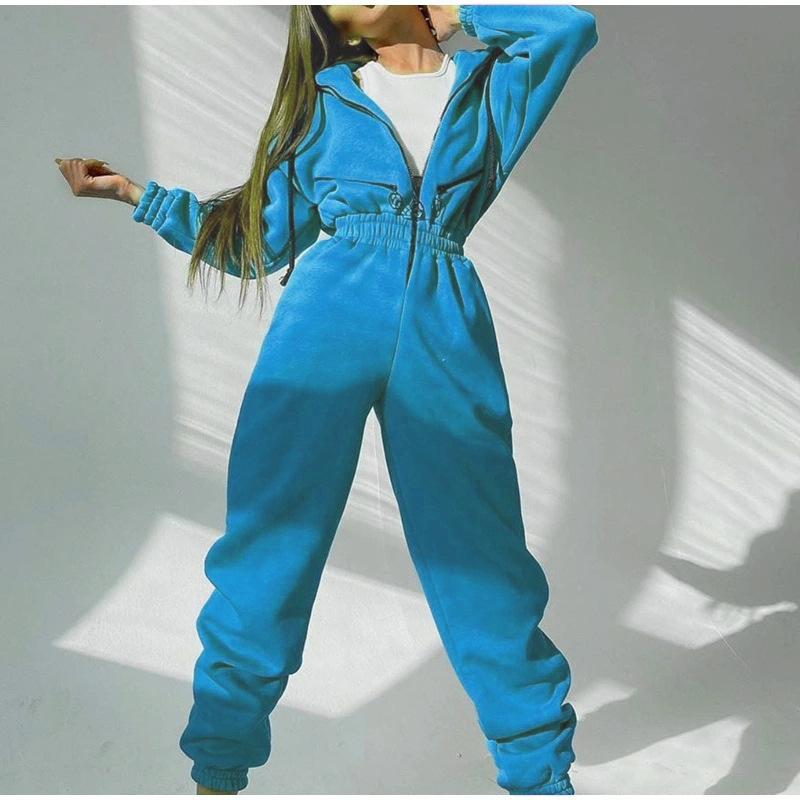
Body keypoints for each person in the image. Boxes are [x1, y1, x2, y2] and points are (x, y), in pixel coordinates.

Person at [55, 5, 598, 795]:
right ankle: (217, 771)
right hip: (325, 320)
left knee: (483, 559)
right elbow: (256, 243)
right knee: (270, 545)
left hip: (446, 322)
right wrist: (137, 195)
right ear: (338, 24)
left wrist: (457, 13)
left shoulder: (493, 86)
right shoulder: (324, 104)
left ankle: (540, 777)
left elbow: (568, 29)